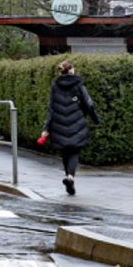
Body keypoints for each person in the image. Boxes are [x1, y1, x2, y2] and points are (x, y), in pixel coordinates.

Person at [38, 59, 101, 195]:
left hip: (58, 124)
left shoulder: (55, 86)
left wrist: (46, 128)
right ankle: (70, 177)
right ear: (71, 70)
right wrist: (96, 120)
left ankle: (69, 178)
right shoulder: (79, 85)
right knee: (74, 151)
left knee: (65, 152)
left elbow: (51, 109)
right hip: (76, 123)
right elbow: (89, 104)